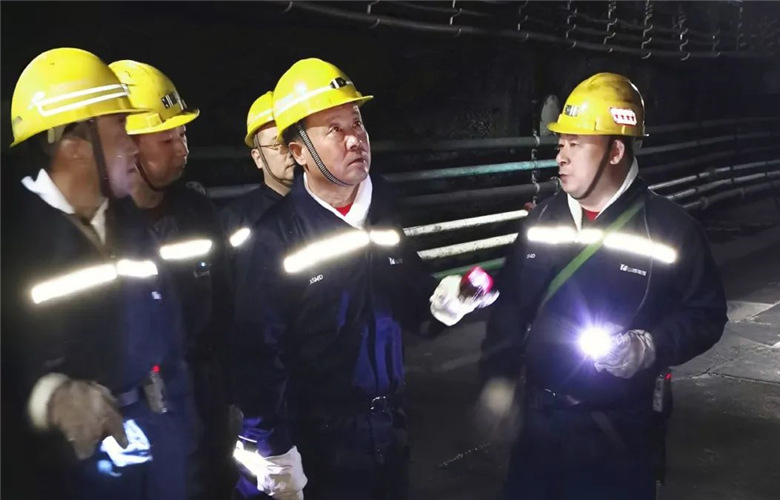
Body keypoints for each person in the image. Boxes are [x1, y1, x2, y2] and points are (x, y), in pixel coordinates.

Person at [231, 58, 496, 500]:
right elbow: (257, 357)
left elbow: (409, 296)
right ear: (299, 152)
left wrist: (442, 301)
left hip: (388, 431)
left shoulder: (382, 213)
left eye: (356, 122)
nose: (354, 138)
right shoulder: (274, 239)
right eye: (334, 129)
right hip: (318, 446)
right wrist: (275, 449)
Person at [479, 72, 728, 500]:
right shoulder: (542, 220)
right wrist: (498, 379)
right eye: (561, 144)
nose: (561, 157)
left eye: (576, 144)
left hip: (620, 435)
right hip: (539, 427)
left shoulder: (671, 230)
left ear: (615, 151)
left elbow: (706, 314)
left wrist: (650, 346)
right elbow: (512, 306)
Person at [2, 47, 192, 500]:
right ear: (73, 142)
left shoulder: (133, 229)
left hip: (157, 470)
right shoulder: (13, 241)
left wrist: (185, 465)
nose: (133, 144)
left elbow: (173, 356)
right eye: (120, 127)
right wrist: (48, 400)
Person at [109, 59, 235, 499]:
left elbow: (226, 306)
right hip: (140, 423)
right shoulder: (104, 230)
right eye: (166, 139)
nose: (182, 149)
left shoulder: (197, 211)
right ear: (128, 143)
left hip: (205, 406)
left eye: (182, 135)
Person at [221, 91, 295, 243]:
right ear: (258, 158)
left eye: (294, 139)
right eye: (277, 144)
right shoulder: (235, 219)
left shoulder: (332, 199)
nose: (290, 150)